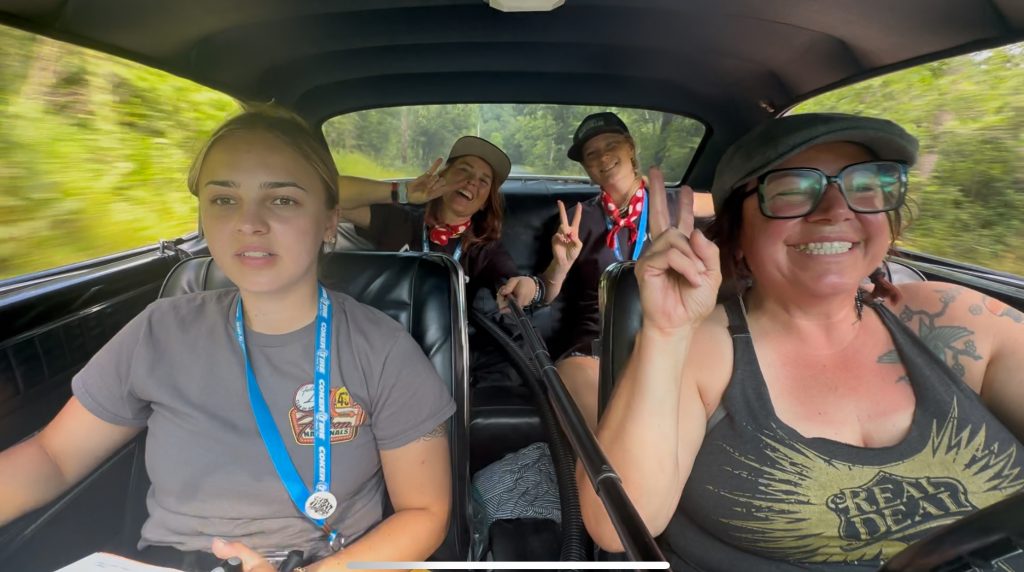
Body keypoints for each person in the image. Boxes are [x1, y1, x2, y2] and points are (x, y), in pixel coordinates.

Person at [0, 107, 455, 572]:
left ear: (328, 221)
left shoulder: (383, 349)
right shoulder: (160, 330)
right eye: (223, 199)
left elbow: (425, 513)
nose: (248, 222)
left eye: (282, 200)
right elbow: (52, 457)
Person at [579, 112, 1024, 570]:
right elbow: (615, 525)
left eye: (866, 185)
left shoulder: (953, 316)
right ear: (737, 231)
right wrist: (666, 332)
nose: (836, 210)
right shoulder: (703, 348)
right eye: (792, 189)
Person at [527, 112, 655, 429]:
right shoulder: (575, 221)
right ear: (586, 167)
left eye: (611, 145)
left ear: (630, 148)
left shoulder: (673, 209)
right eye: (591, 154)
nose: (603, 157)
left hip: (664, 340)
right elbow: (545, 294)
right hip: (593, 348)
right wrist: (560, 264)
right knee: (600, 422)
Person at [338, 136, 568, 311]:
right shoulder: (399, 220)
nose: (471, 181)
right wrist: (403, 191)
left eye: (483, 181)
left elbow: (518, 285)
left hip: (444, 345)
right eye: (463, 170)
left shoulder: (483, 250)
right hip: (381, 328)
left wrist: (532, 284)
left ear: (484, 203)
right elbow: (327, 195)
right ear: (442, 178)